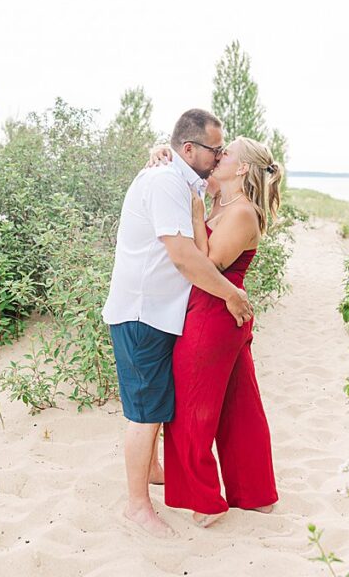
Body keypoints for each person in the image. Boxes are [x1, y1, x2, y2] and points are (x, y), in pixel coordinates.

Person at [103, 108, 255, 538]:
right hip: (143, 311)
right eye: (215, 149)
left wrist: (160, 153)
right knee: (145, 413)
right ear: (189, 149)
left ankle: (152, 470)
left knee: (155, 403)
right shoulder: (166, 180)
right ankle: (137, 507)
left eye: (225, 150)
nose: (220, 155)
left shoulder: (180, 178)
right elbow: (185, 257)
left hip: (159, 313)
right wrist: (231, 294)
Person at [162, 136, 283, 525]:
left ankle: (204, 500)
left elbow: (210, 262)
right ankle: (256, 494)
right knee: (240, 407)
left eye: (226, 153)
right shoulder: (221, 199)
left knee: (192, 405)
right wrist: (160, 152)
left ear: (243, 167)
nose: (219, 157)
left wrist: (197, 219)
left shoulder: (243, 211)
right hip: (217, 310)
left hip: (216, 313)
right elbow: (182, 168)